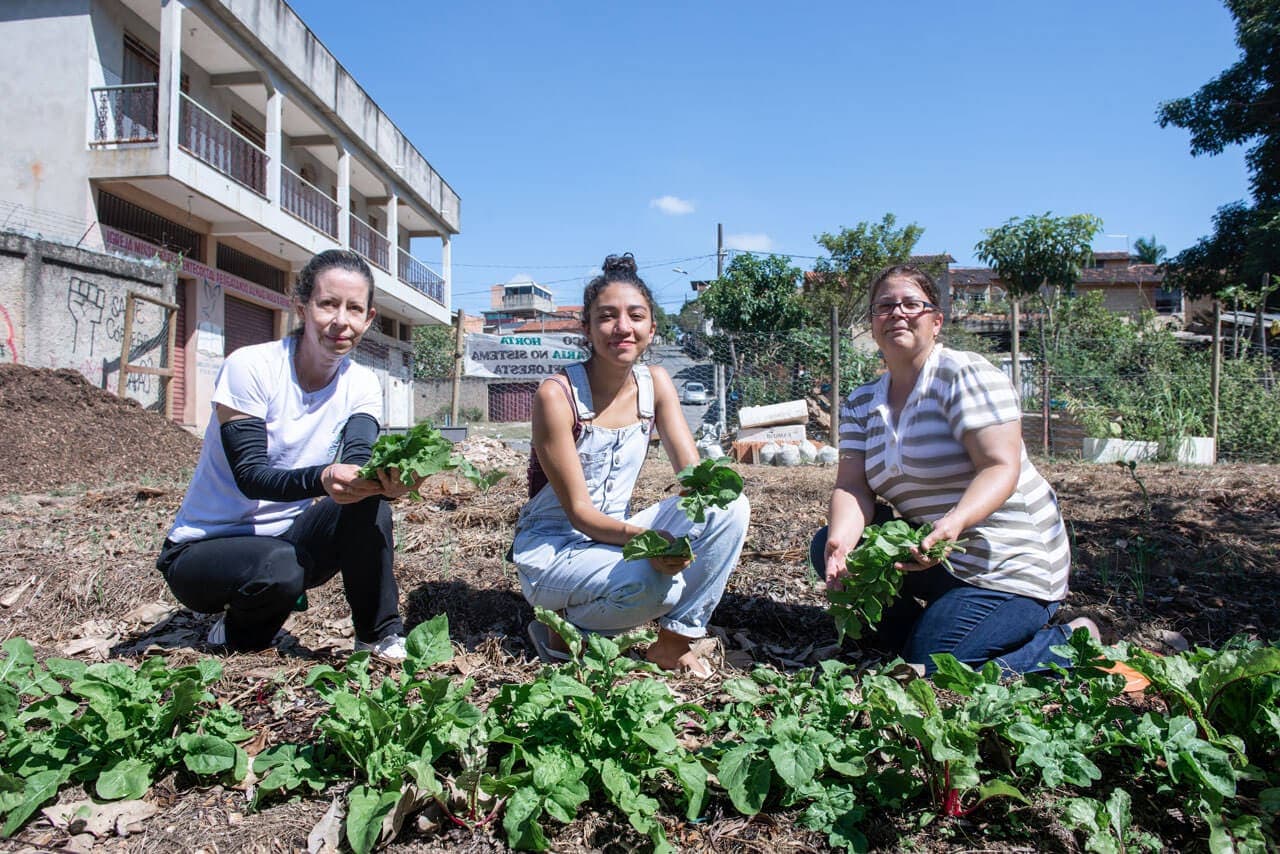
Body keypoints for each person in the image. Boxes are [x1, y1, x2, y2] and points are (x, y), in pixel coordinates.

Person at [814, 264, 1095, 676]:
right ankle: (934, 640)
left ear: (936, 320)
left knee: (934, 664)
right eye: (885, 306)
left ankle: (1070, 640)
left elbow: (1000, 467)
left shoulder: (964, 374)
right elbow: (853, 487)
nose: (897, 313)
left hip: (1009, 563)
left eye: (912, 304)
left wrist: (954, 523)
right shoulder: (861, 402)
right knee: (829, 545)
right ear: (872, 323)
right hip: (936, 556)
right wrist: (840, 542)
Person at [156, 249, 417, 662]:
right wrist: (323, 478)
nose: (340, 321)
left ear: (368, 319)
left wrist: (388, 483)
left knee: (368, 504)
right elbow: (250, 475)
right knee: (279, 569)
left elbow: (358, 458)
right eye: (328, 304)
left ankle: (378, 635)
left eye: (354, 309)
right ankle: (235, 631)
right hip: (203, 551)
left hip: (289, 543)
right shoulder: (252, 367)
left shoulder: (363, 384)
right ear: (302, 307)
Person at [512, 254, 750, 678]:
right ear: (585, 328)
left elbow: (691, 476)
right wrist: (654, 545)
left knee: (729, 508)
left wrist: (713, 488)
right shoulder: (557, 395)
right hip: (555, 549)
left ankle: (673, 643)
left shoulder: (656, 382)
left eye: (635, 316)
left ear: (652, 328)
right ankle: (560, 629)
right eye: (607, 317)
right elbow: (581, 516)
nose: (623, 327)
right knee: (657, 583)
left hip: (612, 539)